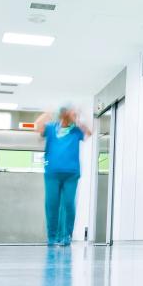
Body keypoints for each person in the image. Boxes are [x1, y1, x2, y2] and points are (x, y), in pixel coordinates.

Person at [34, 105, 91, 246]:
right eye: (71, 114)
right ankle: (52, 237)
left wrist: (80, 119)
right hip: (52, 173)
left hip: (71, 174)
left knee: (69, 204)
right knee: (51, 205)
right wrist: (47, 113)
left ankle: (67, 236)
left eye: (75, 114)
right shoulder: (51, 128)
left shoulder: (76, 130)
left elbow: (89, 132)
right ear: (63, 115)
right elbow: (38, 127)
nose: (74, 116)